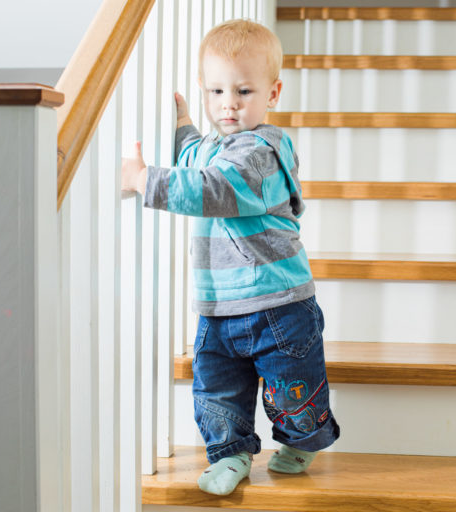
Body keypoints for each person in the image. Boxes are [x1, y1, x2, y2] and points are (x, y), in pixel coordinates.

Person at [120, 19, 339, 496]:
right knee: (217, 390)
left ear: (272, 93)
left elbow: (212, 188)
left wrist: (143, 180)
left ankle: (303, 440)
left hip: (278, 304)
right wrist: (181, 123)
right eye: (216, 91)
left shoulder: (262, 151)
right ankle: (231, 452)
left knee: (291, 387)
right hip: (218, 305)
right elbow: (196, 154)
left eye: (243, 91)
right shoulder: (218, 146)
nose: (229, 104)